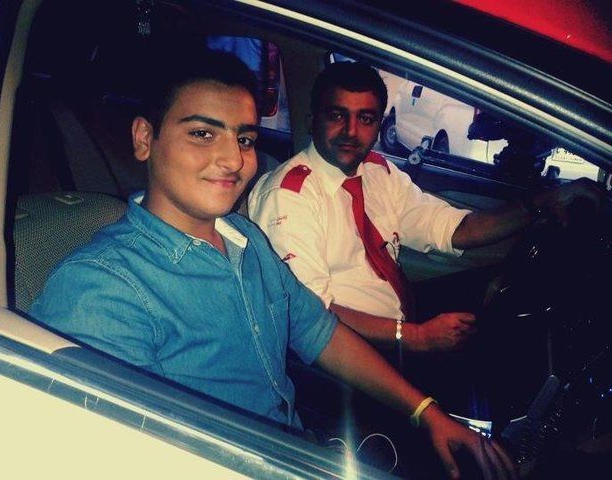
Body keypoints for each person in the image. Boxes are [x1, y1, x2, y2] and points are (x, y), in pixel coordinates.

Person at [29, 52, 515, 479]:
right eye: (202, 133)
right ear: (144, 138)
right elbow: (107, 455)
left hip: (299, 445)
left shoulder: (245, 240)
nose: (233, 160)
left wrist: (427, 412)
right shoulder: (101, 288)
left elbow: (318, 331)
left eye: (244, 139)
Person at [248, 60, 603, 356]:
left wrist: (539, 203)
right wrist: (415, 337)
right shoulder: (288, 196)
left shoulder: (377, 172)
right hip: (351, 355)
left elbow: (451, 228)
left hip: (400, 324)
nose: (351, 132)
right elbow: (309, 313)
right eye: (337, 115)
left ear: (378, 124)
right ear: (313, 119)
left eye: (366, 118)